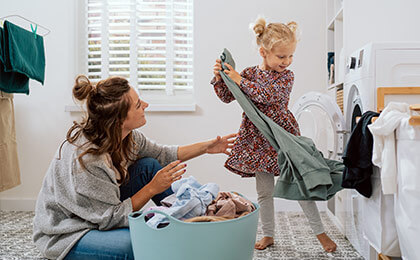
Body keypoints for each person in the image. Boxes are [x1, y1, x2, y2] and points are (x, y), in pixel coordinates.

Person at [33, 75, 236, 260]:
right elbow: (110, 218)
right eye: (138, 105)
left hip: (102, 209)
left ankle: (192, 220)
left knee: (149, 166)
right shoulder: (89, 160)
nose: (146, 105)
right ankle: (179, 230)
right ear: (120, 120)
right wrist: (151, 189)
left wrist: (208, 147)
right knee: (138, 245)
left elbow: (163, 154)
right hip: (70, 230)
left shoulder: (125, 136)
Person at [210, 17, 337, 252]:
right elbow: (228, 96)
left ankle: (321, 233)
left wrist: (240, 81)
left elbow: (268, 96)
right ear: (263, 52)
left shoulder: (286, 77)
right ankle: (268, 234)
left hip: (282, 137)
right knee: (264, 192)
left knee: (301, 185)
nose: (287, 61)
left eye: (290, 56)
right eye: (281, 56)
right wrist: (221, 78)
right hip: (258, 139)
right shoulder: (248, 73)